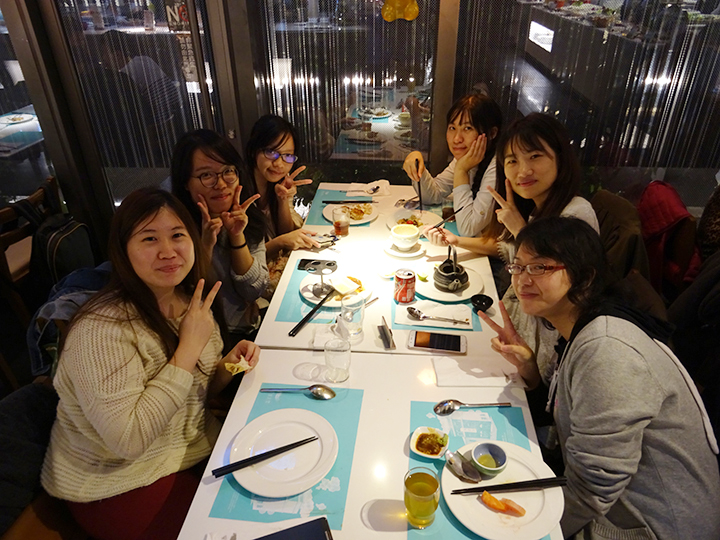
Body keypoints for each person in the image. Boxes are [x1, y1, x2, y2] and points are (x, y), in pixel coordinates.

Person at [479, 216, 720, 539]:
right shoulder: (583, 328)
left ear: (585, 277)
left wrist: (527, 532)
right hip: (609, 501)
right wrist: (531, 371)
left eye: (540, 267)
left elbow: (593, 489)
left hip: (647, 526)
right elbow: (566, 419)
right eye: (518, 266)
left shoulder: (607, 349)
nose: (522, 279)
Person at [41, 189, 261, 540]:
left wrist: (228, 367)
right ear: (123, 250)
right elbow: (128, 440)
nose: (168, 251)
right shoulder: (101, 329)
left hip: (188, 450)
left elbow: (196, 392)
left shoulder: (189, 301)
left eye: (177, 235)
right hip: (117, 482)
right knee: (241, 528)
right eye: (149, 239)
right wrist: (188, 348)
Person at [425, 112, 599, 378]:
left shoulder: (576, 214)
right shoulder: (537, 209)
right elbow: (510, 250)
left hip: (550, 356)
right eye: (513, 160)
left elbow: (551, 276)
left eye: (535, 156)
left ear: (561, 158)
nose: (523, 170)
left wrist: (520, 230)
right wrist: (457, 241)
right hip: (522, 340)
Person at [171, 129, 269, 339]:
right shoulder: (174, 230)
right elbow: (186, 301)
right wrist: (205, 246)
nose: (221, 184)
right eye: (206, 175)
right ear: (185, 183)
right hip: (206, 341)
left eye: (228, 171)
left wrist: (236, 235)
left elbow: (254, 290)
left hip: (249, 330)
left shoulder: (246, 215)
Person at [403, 93, 502, 237]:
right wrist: (417, 163)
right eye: (452, 128)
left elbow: (468, 228)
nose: (457, 139)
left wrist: (461, 170)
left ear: (492, 133)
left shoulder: (497, 167)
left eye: (467, 128)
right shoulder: (466, 158)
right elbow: (433, 195)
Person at [245, 115, 319, 295]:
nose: (279, 163)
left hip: (279, 267)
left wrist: (283, 200)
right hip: (257, 286)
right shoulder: (239, 193)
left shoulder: (277, 184)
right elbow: (245, 263)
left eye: (287, 155)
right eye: (271, 152)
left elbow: (286, 232)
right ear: (254, 150)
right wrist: (280, 242)